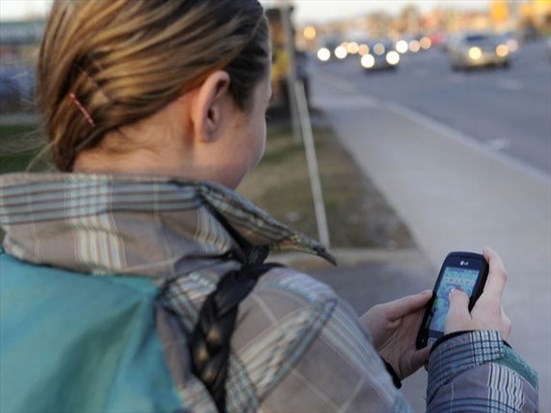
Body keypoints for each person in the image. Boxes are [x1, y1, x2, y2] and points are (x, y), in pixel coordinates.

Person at [0, 1, 538, 412]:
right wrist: (475, 356)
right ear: (211, 108)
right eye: (262, 104)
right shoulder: (272, 321)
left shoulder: (15, 264)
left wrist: (352, 361)